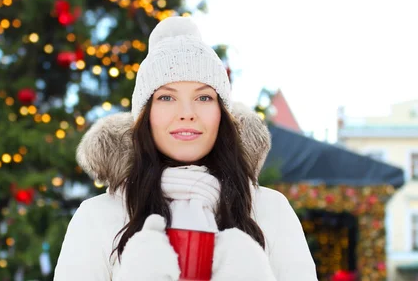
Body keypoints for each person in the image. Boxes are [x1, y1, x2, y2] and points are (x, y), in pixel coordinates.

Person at [53, 16, 317, 280]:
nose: (187, 113)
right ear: (145, 115)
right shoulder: (98, 216)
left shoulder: (269, 209)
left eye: (203, 97)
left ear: (222, 114)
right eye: (166, 97)